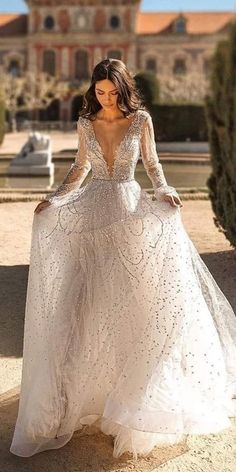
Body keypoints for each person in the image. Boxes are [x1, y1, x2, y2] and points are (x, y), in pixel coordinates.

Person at [10, 59, 236, 460]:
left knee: (135, 307)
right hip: (93, 213)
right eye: (100, 92)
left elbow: (152, 165)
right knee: (82, 305)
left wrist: (164, 190)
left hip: (131, 211)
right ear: (93, 90)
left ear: (123, 89)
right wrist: (55, 198)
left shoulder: (140, 121)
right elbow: (80, 168)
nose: (106, 99)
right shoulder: (85, 124)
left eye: (112, 93)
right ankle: (78, 399)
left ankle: (130, 408)